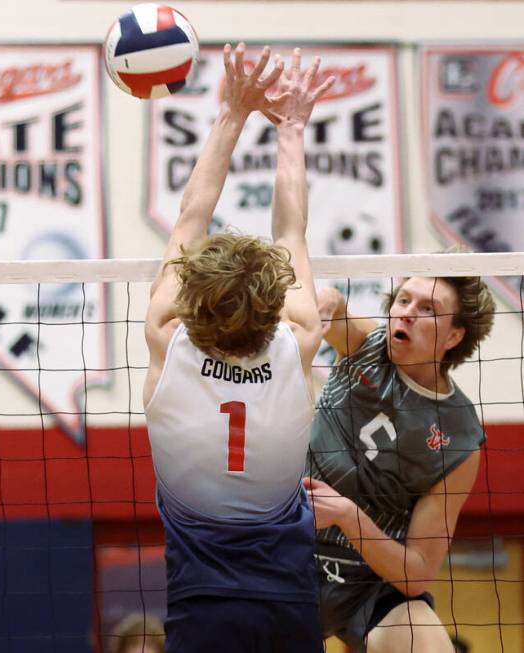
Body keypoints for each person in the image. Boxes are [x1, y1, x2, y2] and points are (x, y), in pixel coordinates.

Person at [142, 44, 334, 652]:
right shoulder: (300, 336)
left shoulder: (166, 337)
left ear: (193, 295)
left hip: (201, 611)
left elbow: (189, 217)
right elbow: (290, 230)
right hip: (292, 605)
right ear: (275, 299)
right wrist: (293, 129)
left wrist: (232, 112)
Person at [305, 270, 495, 651]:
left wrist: (348, 515)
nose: (406, 312)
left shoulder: (459, 438)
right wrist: (326, 298)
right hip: (289, 550)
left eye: (428, 309)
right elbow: (336, 311)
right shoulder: (368, 346)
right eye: (403, 300)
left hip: (369, 585)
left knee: (423, 641)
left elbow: (417, 572)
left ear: (454, 336)